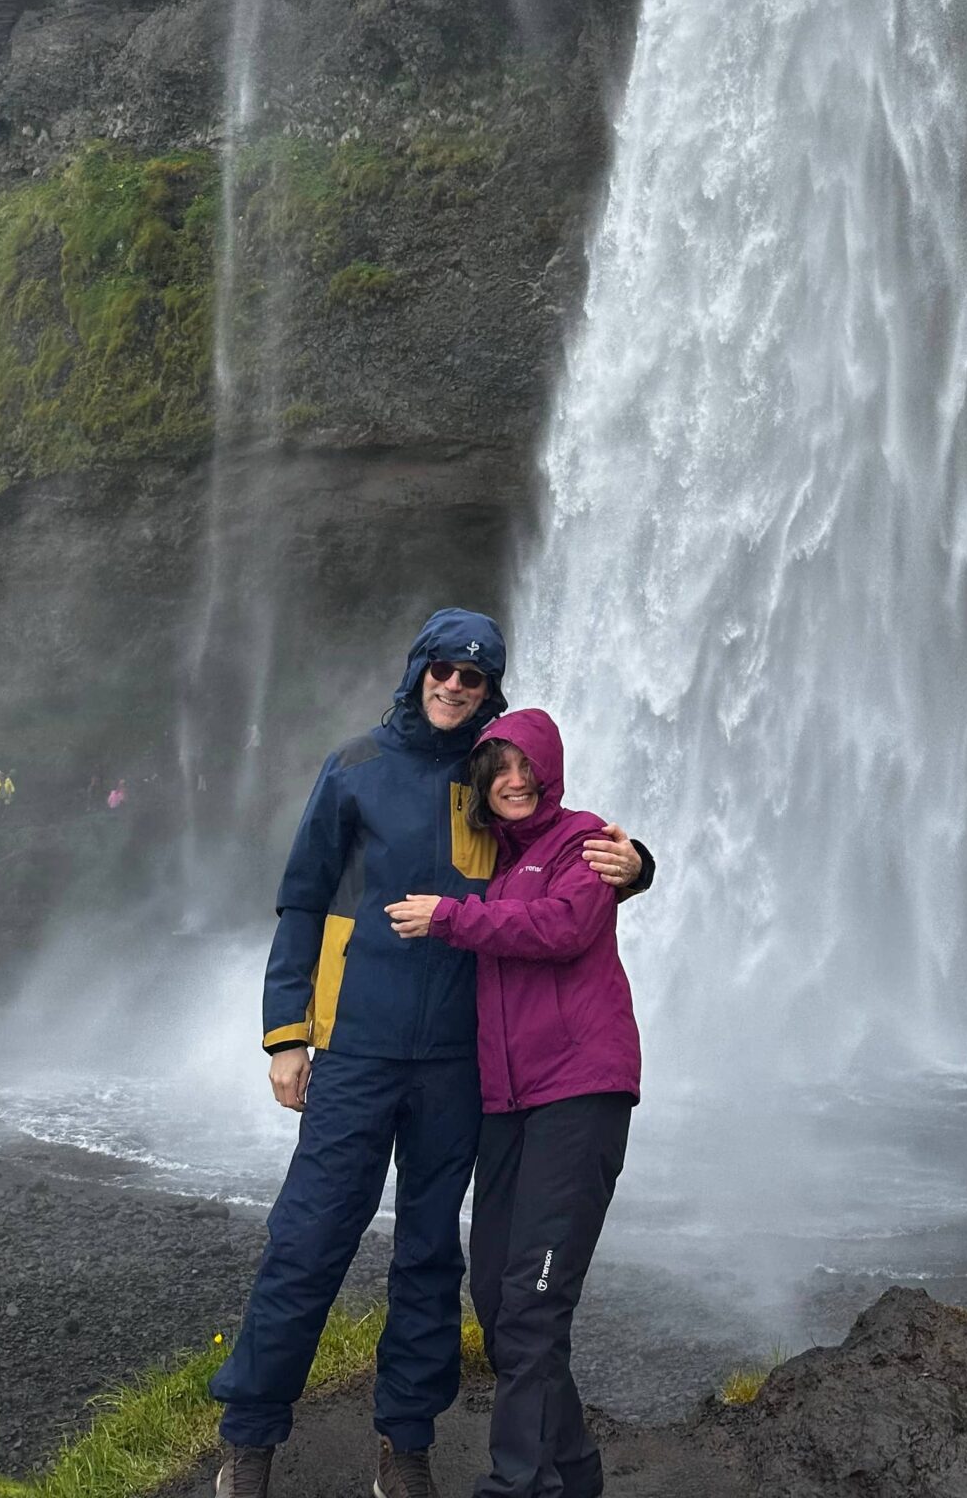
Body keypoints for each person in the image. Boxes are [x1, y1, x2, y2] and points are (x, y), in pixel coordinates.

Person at [210, 611, 652, 1498]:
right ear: (418, 669)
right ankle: (250, 1440)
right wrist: (288, 1035)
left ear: (492, 691)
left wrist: (639, 863)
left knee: (428, 1256)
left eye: (475, 677)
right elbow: (301, 902)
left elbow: (570, 854)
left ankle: (404, 1444)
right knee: (308, 1239)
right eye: (444, 669)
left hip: (461, 1064)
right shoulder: (355, 769)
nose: (455, 685)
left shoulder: (497, 780)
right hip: (358, 1048)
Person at [388, 708, 639, 1498]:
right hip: (508, 1102)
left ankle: (517, 1485)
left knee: (533, 1304)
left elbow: (562, 928)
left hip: (580, 1091)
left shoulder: (587, 841)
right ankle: (575, 1474)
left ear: (550, 769)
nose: (515, 780)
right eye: (498, 769)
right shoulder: (491, 864)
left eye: (527, 766)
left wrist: (450, 919)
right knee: (499, 1304)